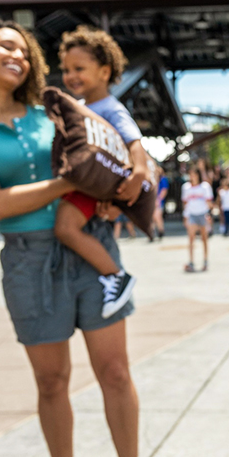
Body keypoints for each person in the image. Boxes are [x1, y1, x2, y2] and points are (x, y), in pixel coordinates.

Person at [0, 18, 143, 457]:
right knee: (52, 381)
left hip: (92, 244)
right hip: (28, 261)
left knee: (115, 372)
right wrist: (74, 180)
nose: (19, 56)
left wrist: (113, 192)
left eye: (23, 50)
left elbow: (109, 155)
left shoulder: (52, 112)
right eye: (6, 47)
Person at [55, 26, 145, 307]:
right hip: (91, 184)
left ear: (104, 72)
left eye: (79, 68)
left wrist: (139, 172)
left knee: (65, 228)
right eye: (66, 70)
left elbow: (134, 142)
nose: (70, 76)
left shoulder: (110, 108)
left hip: (89, 187)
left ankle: (116, 275)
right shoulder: (83, 107)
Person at [181, 167, 213, 272]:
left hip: (203, 214)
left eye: (194, 174)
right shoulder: (186, 187)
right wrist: (185, 217)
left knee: (204, 238)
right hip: (192, 215)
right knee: (191, 238)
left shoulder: (205, 187)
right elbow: (185, 203)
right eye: (190, 174)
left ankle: (205, 261)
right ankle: (191, 262)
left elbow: (209, 203)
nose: (192, 177)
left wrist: (209, 215)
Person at [152, 173, 169, 240]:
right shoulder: (151, 177)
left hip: (158, 201)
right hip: (151, 201)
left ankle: (160, 231)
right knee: (152, 217)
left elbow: (164, 190)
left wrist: (158, 200)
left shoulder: (162, 179)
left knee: (157, 216)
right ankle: (152, 232)